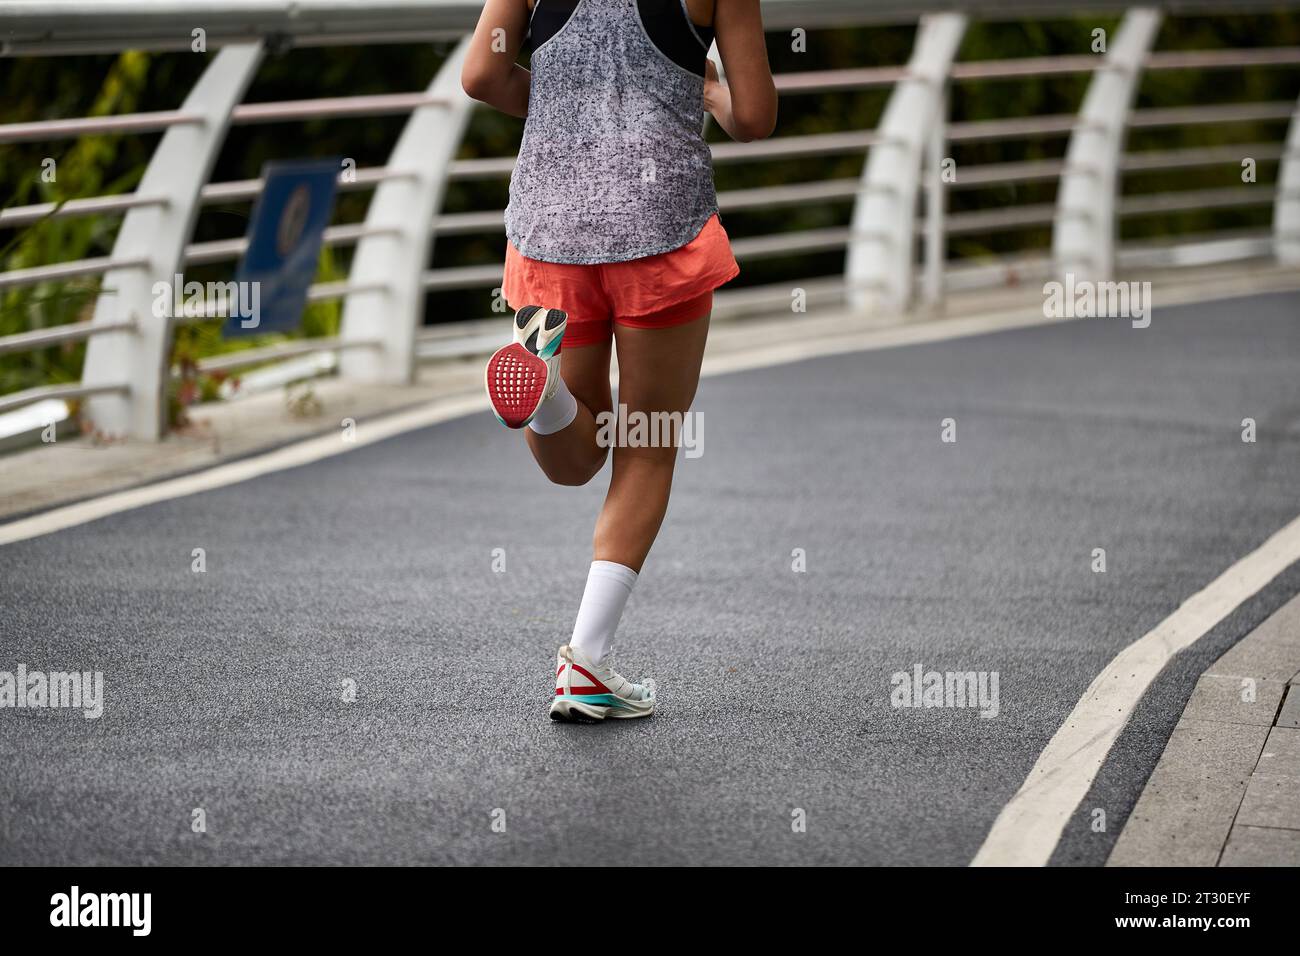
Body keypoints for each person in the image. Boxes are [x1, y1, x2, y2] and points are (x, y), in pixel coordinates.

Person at [462, 0, 776, 721]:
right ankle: (587, 663)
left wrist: (547, 101)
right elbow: (754, 116)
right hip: (660, 228)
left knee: (576, 455)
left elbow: (482, 74)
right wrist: (703, 87)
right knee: (645, 446)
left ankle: (544, 397)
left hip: (550, 230)